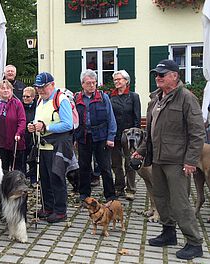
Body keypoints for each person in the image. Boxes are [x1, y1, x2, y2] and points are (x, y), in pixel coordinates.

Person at [133, 59, 204, 260]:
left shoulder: (187, 98)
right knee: (161, 198)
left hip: (177, 161)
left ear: (175, 76)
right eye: (156, 74)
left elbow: (197, 132)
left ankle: (194, 242)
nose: (158, 77)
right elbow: (150, 132)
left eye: (162, 74)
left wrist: (191, 160)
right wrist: (141, 151)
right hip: (157, 158)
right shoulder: (156, 99)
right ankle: (168, 232)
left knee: (180, 202)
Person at [27, 72, 75, 223]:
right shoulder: (40, 101)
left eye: (43, 87)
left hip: (58, 146)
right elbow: (38, 120)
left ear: (52, 85)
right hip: (43, 146)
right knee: (45, 179)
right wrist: (33, 126)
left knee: (57, 178)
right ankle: (47, 207)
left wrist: (46, 126)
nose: (40, 90)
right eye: (38, 87)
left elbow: (68, 124)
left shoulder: (61, 99)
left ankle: (60, 211)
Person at [74, 69, 117, 202]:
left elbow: (111, 118)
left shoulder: (103, 97)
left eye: (94, 83)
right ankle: (84, 193)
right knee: (84, 166)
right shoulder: (76, 98)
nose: (92, 85)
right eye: (88, 83)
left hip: (101, 136)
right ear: (82, 84)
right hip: (84, 136)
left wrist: (111, 137)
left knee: (105, 167)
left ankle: (110, 195)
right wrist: (74, 138)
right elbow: (73, 120)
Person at [110, 70, 141, 200]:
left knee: (129, 163)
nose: (117, 82)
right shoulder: (110, 97)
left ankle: (131, 189)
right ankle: (119, 187)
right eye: (115, 80)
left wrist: (135, 136)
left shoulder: (134, 96)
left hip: (129, 136)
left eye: (119, 79)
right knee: (116, 163)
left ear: (126, 81)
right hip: (114, 135)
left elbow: (137, 118)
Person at [0, 79, 26, 172]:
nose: (6, 90)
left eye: (8, 88)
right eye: (3, 88)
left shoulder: (17, 103)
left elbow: (22, 121)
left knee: (16, 171)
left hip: (15, 143)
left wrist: (19, 133)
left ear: (11, 90)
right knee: (1, 171)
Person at [22, 86, 37, 184]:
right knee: (22, 159)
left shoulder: (37, 107)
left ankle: (33, 179)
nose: (25, 99)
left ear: (33, 97)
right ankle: (22, 179)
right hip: (23, 136)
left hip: (33, 137)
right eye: (23, 97)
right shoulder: (20, 106)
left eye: (27, 97)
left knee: (33, 159)